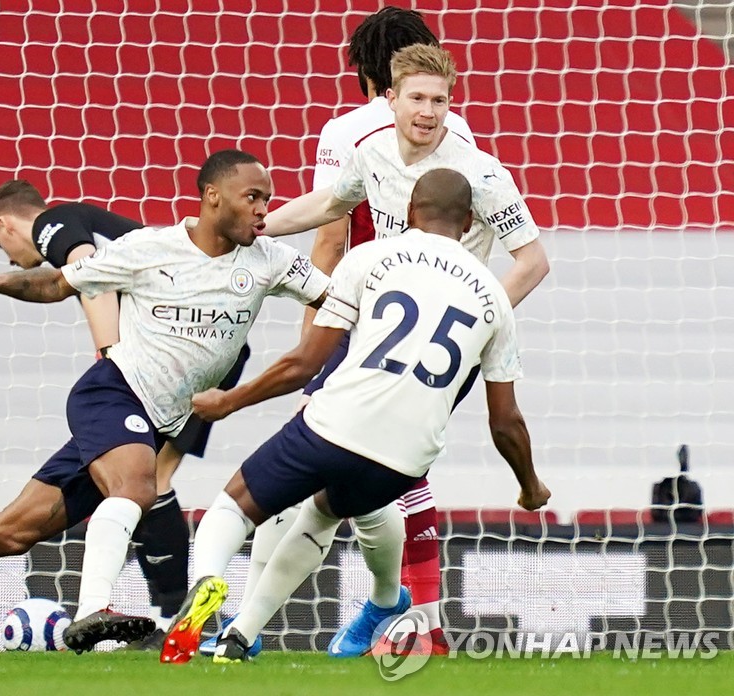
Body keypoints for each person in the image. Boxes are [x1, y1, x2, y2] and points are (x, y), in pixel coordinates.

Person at [0, 149, 330, 654]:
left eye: (267, 198)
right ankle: (91, 610)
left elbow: (340, 301)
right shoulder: (151, 248)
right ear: (212, 197)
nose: (265, 209)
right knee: (137, 485)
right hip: (111, 392)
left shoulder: (272, 263)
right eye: (253, 197)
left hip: (155, 419)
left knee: (13, 530)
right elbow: (61, 283)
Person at [163, 169, 550, 664]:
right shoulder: (496, 298)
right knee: (326, 512)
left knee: (236, 506)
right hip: (405, 461)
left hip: (335, 425)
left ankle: (208, 582)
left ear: (409, 212)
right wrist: (530, 485)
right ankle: (243, 633)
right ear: (470, 221)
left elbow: (305, 362)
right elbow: (506, 422)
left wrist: (228, 401)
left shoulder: (371, 257)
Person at [250, 40, 551, 656]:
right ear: (390, 99)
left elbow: (534, 261)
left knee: (364, 464)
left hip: (440, 343)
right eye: (418, 97)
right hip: (379, 330)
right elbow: (331, 204)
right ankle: (398, 610)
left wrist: (474, 315)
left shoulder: (477, 171)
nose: (430, 111)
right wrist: (260, 226)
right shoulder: (372, 153)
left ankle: (390, 614)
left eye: (440, 100)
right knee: (365, 475)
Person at [217, 7, 480, 659]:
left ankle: (248, 624)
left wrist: (314, 340)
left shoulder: (348, 130)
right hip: (450, 318)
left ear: (364, 69)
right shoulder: (462, 131)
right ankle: (413, 615)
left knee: (309, 470)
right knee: (401, 467)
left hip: (371, 319)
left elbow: (331, 234)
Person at [0, 185, 253, 645]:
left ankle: (172, 615)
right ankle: (176, 613)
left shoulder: (52, 223)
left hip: (178, 357)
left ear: (7, 225)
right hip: (215, 345)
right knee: (154, 478)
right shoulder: (93, 219)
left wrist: (110, 354)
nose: (7, 257)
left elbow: (89, 270)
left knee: (150, 481)